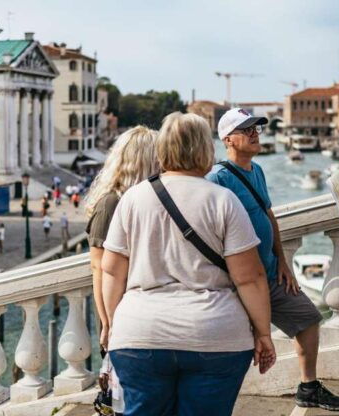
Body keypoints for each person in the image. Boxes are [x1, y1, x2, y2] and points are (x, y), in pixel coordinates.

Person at [101, 112, 276, 415]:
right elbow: (250, 278)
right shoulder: (223, 200)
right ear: (206, 149)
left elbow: (112, 271)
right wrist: (263, 334)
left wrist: (113, 325)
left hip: (140, 333)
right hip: (214, 335)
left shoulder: (133, 198)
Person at [207, 108, 339, 411]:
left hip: (271, 274)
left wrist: (282, 261)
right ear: (228, 140)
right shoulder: (218, 179)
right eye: (246, 130)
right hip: (239, 283)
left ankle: (308, 387)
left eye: (256, 128)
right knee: (235, 349)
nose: (255, 133)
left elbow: (268, 214)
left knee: (308, 319)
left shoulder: (257, 170)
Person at [84, 126, 160, 416]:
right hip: (119, 315)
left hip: (144, 311)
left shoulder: (146, 201)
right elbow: (98, 267)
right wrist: (108, 323)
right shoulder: (111, 203)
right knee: (124, 397)